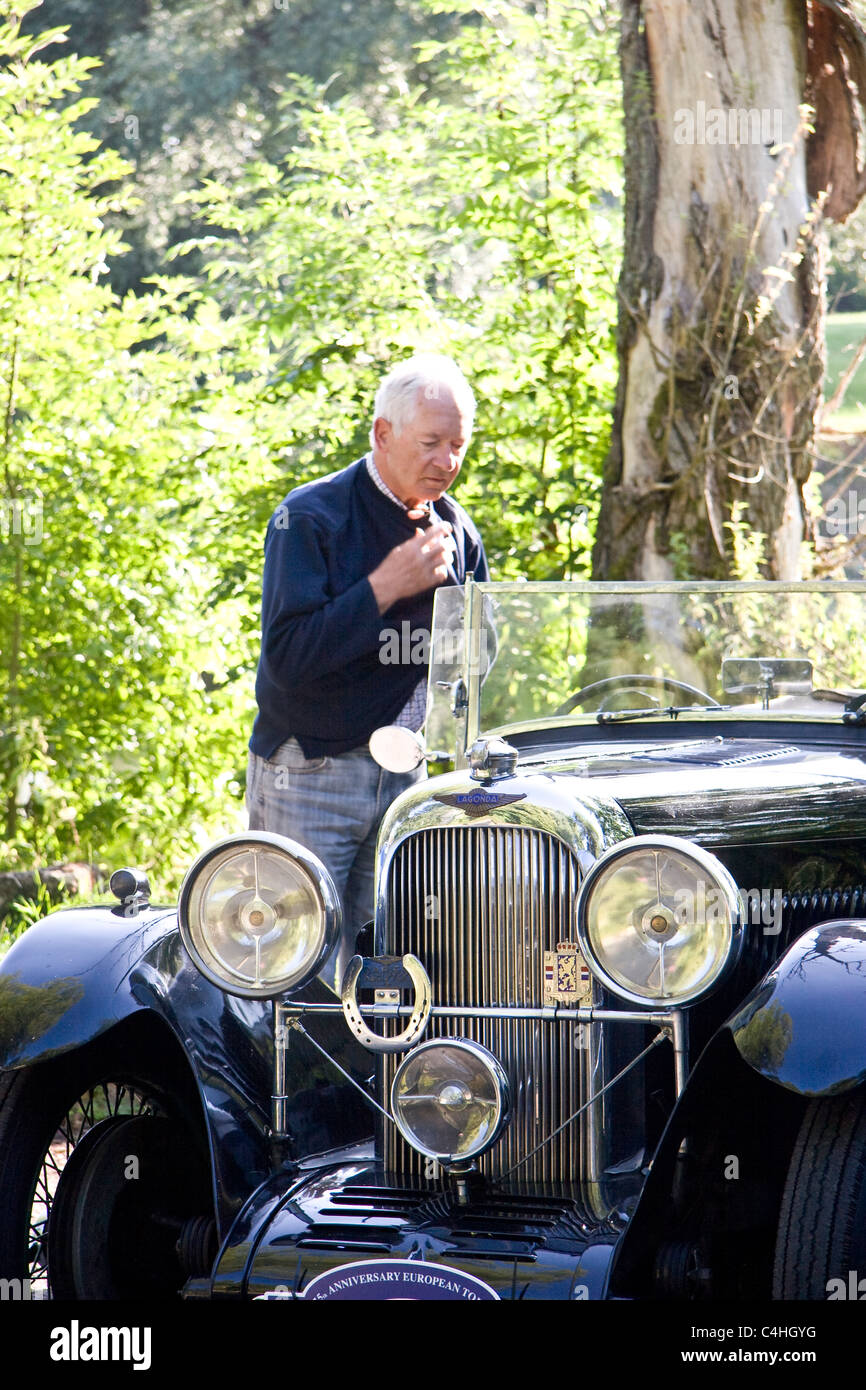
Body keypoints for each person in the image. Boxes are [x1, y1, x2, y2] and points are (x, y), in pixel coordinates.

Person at [246, 353, 489, 992]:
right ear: (382, 434)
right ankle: (286, 1094)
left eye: (458, 445)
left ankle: (374, 1092)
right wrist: (385, 586)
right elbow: (289, 658)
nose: (446, 461)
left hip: (406, 780)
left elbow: (476, 659)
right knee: (290, 963)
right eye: (431, 442)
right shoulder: (311, 517)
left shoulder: (458, 532)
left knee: (390, 968)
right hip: (310, 772)